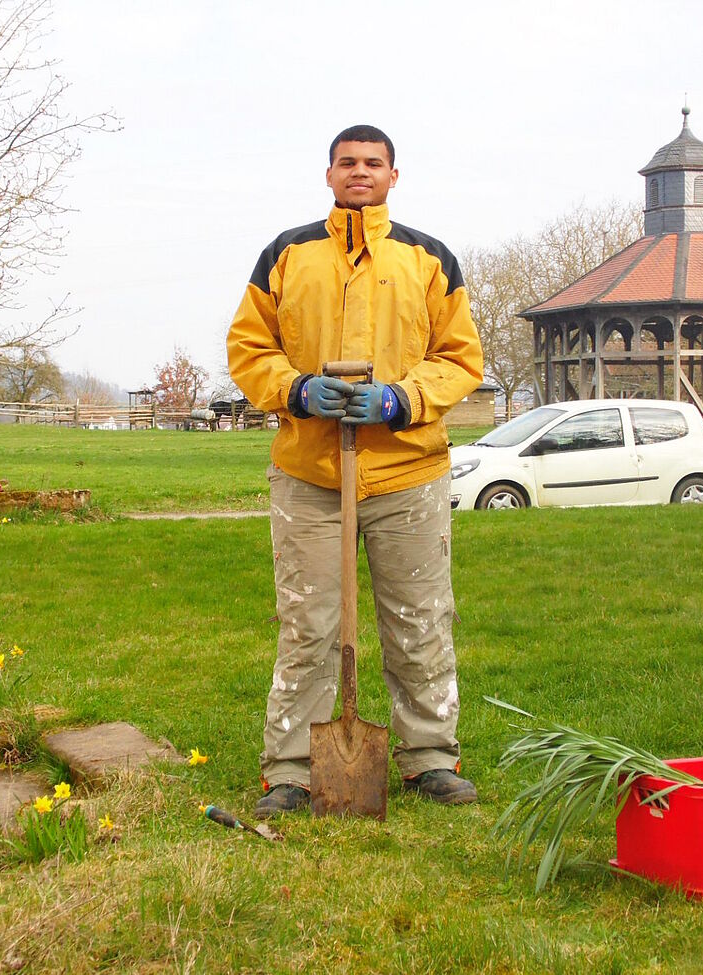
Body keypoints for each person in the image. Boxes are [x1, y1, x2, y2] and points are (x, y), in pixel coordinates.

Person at [227, 124, 484, 818]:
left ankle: (431, 756)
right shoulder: (287, 254)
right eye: (348, 162)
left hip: (407, 474)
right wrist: (298, 389)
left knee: (420, 619)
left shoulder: (429, 259)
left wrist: (401, 398)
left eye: (374, 163)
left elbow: (461, 358)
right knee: (307, 625)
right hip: (310, 473)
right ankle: (290, 768)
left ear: (394, 175)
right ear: (330, 173)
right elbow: (249, 349)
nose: (360, 172)